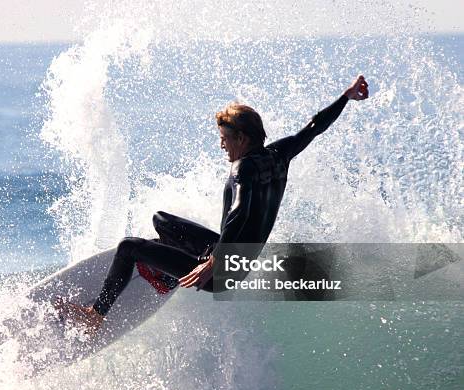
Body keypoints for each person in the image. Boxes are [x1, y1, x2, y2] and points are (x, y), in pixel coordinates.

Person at [54, 75, 370, 332]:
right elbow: (315, 127)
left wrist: (213, 262)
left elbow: (240, 212)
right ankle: (165, 275)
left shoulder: (242, 168)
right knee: (162, 220)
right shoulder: (278, 155)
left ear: (242, 138)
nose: (221, 145)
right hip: (234, 257)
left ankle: (95, 314)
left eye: (225, 138)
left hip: (223, 271)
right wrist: (346, 97)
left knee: (128, 246)